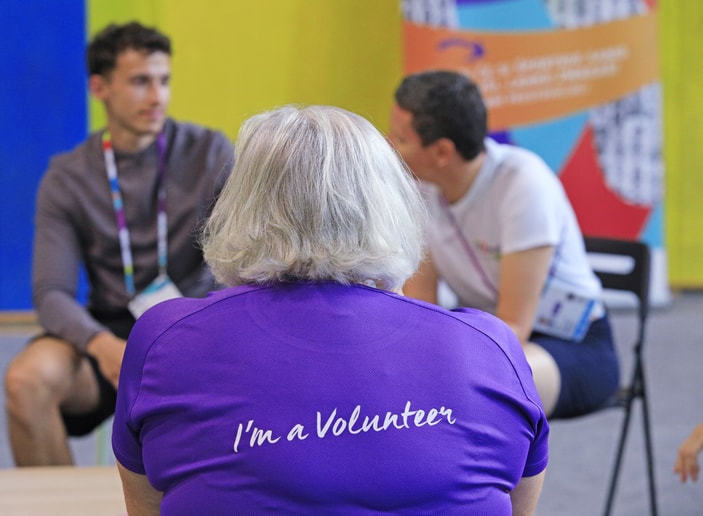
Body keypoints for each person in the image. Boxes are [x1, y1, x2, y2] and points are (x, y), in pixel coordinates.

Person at [112, 105, 548, 515]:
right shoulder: (491, 349)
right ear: (390, 207)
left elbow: (148, 505)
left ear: (239, 206)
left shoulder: (166, 340)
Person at [4, 21, 234, 466]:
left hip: (196, 326)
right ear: (99, 87)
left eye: (164, 81)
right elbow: (51, 293)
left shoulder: (210, 153)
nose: (157, 97)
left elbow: (246, 261)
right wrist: (99, 343)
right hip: (112, 335)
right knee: (26, 381)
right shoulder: (68, 177)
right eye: (140, 82)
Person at [389, 70, 620, 419]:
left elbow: (514, 327)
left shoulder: (523, 184)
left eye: (400, 138)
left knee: (471, 389)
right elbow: (422, 312)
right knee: (404, 376)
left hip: (571, 346)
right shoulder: (422, 188)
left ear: (441, 152)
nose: (389, 145)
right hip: (487, 340)